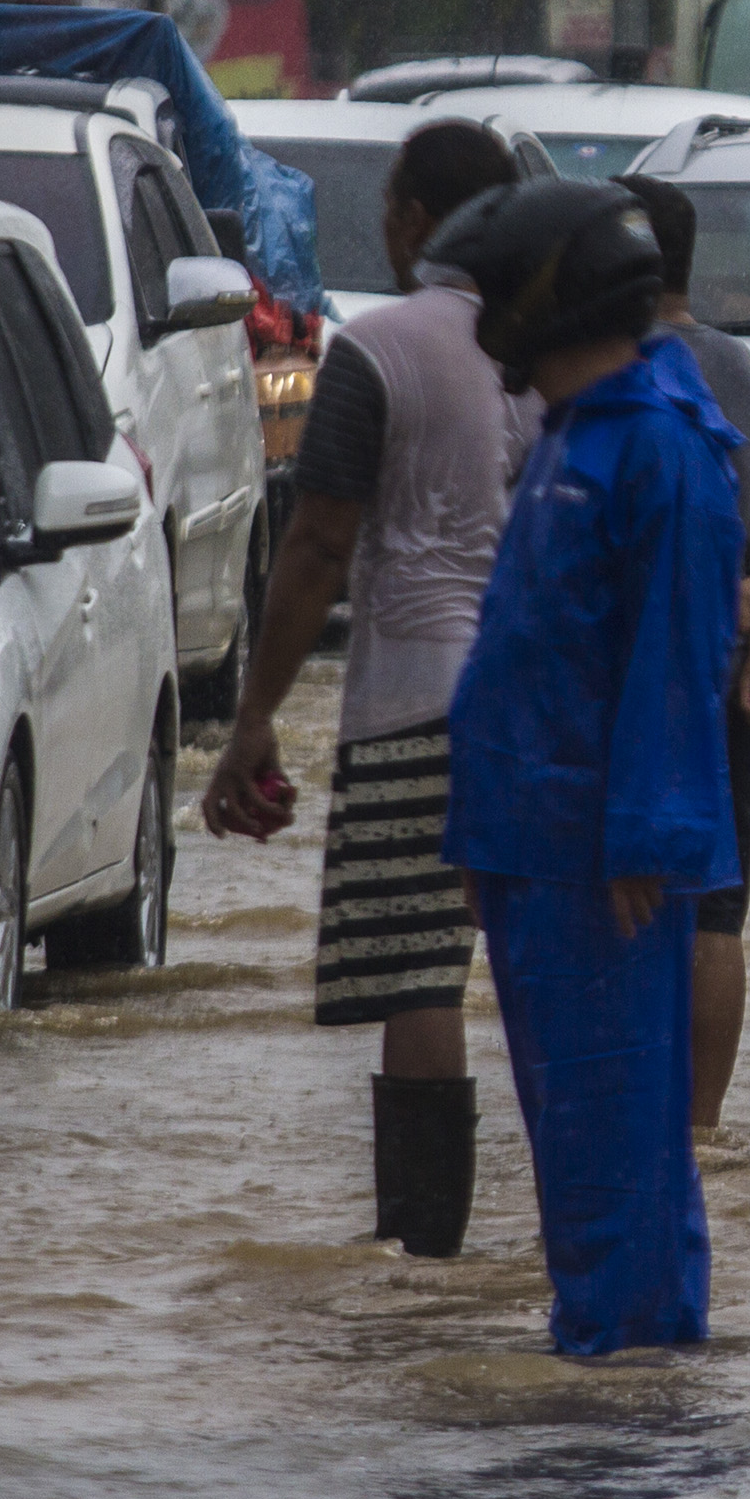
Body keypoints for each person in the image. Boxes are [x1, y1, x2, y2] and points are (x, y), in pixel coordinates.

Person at [426, 179, 747, 1357]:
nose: (482, 321)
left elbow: (676, 657)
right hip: (530, 845)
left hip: (604, 862)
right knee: (572, 1140)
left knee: (615, 1145)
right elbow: (518, 648)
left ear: (552, 301)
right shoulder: (573, 433)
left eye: (497, 295)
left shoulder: (659, 446)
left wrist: (647, 837)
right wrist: (476, 834)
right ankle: (611, 1365)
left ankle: (627, 1383)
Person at [199, 118, 525, 1258]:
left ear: (418, 221)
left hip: (415, 708)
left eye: (389, 205)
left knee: (420, 978)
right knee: (536, 967)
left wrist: (254, 717)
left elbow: (318, 544)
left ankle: (423, 1258)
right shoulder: (549, 357)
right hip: (535, 704)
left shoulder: (377, 350)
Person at [618, 175, 750, 1135]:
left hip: (626, 673)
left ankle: (628, 1119)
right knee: (714, 909)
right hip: (723, 668)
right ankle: (701, 1130)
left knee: (619, 897)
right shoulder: (740, 368)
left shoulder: (601, 366)